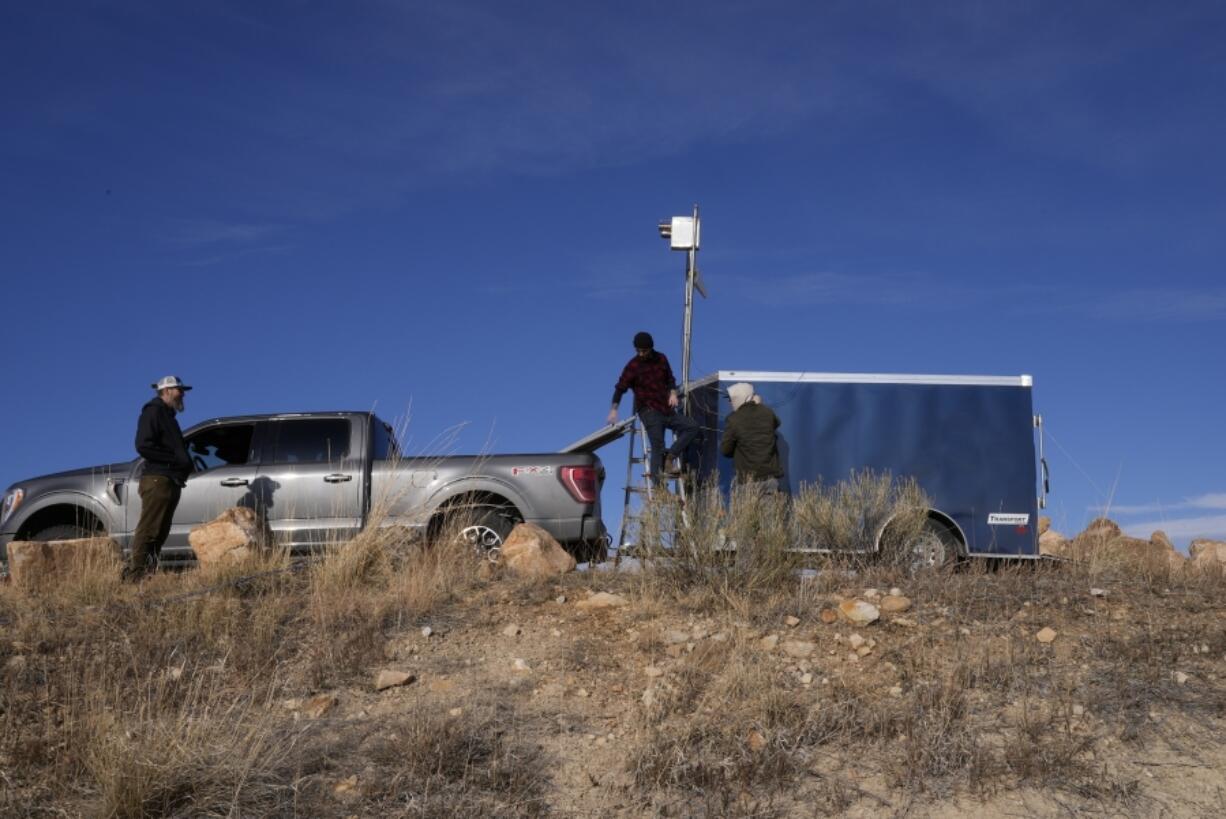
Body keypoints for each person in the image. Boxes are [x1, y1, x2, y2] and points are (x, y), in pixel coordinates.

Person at [607, 331, 699, 485]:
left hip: (665, 407)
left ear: (651, 348)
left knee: (692, 426)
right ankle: (659, 487)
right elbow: (620, 388)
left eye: (644, 350)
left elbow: (670, 379)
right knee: (658, 445)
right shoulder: (633, 366)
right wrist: (614, 409)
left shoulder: (661, 359)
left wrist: (673, 393)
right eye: (638, 351)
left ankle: (670, 456)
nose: (641, 354)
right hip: (648, 409)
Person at [127, 375, 194, 580]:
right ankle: (135, 573)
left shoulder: (168, 416)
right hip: (157, 478)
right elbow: (143, 445)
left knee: (161, 529)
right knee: (150, 527)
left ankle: (149, 572)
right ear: (166, 391)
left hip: (170, 479)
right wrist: (174, 460)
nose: (182, 394)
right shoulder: (153, 411)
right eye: (179, 390)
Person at [720, 382, 784, 492]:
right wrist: (759, 405)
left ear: (740, 398)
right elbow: (776, 423)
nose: (730, 402)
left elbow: (725, 451)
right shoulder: (767, 412)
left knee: (747, 510)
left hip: (747, 482)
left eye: (731, 399)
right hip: (770, 478)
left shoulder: (733, 419)